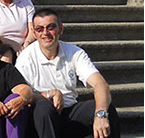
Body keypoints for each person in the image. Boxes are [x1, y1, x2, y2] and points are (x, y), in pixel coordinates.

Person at [16, 8, 120, 138]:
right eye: (39, 29)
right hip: (41, 119)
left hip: (70, 112)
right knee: (43, 108)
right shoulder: (25, 58)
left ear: (61, 29)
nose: (45, 33)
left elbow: (100, 84)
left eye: (50, 27)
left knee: (106, 108)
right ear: (35, 33)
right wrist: (48, 94)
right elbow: (21, 93)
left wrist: (100, 115)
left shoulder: (74, 52)